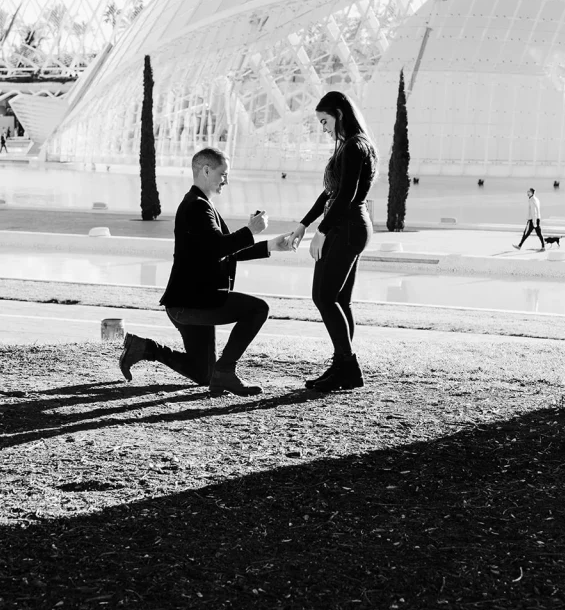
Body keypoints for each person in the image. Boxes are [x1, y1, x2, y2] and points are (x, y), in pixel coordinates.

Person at [119, 147, 290, 396]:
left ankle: (144, 348)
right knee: (258, 309)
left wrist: (271, 245)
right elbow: (218, 248)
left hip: (189, 302)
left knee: (203, 374)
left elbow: (223, 250)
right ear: (207, 170)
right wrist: (251, 231)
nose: (226, 181)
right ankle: (227, 371)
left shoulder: (200, 204)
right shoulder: (197, 207)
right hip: (192, 304)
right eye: (224, 174)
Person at [286, 91, 378, 392]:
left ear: (339, 114)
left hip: (346, 227)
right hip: (352, 225)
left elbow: (346, 195)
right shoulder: (352, 145)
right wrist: (304, 224)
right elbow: (330, 193)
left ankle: (348, 368)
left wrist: (321, 232)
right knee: (339, 300)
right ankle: (342, 365)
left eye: (325, 121)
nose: (323, 128)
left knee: (324, 297)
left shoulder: (354, 146)